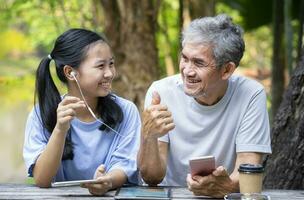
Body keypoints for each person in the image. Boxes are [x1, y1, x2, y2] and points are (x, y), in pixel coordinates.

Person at [138, 14, 271, 198]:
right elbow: (152, 177)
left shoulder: (251, 94)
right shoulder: (161, 92)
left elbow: (248, 171)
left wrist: (223, 187)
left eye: (199, 63)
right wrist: (149, 135)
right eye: (185, 58)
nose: (187, 71)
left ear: (227, 70)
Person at [23, 28, 141, 195]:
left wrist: (108, 181)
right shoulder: (40, 114)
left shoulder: (127, 111)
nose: (110, 73)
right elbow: (42, 179)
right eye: (101, 66)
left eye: (111, 64)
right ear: (70, 72)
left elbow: (125, 164)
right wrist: (60, 129)